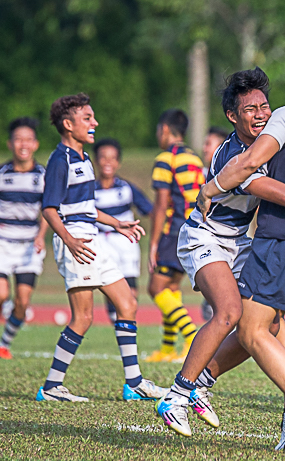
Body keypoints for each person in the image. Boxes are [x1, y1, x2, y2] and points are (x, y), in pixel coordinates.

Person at [156, 68, 285, 447]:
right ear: (233, 117)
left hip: (237, 240)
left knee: (271, 327)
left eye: (264, 106)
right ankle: (177, 396)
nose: (261, 114)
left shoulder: (267, 147)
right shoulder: (238, 159)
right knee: (230, 313)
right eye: (249, 109)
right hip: (205, 237)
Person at [36, 93, 167, 402]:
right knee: (83, 318)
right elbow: (50, 209)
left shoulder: (84, 159)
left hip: (92, 239)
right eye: (87, 119)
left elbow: (87, 208)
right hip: (77, 242)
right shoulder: (61, 159)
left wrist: (117, 223)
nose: (94, 123)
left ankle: (134, 383)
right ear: (68, 125)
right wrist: (69, 240)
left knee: (128, 303)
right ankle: (53, 387)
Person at [145, 109, 204, 363]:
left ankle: (191, 337)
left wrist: (154, 243)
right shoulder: (195, 158)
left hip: (174, 229)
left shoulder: (165, 159)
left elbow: (160, 205)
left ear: (165, 130)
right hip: (195, 228)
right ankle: (168, 348)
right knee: (171, 288)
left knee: (155, 287)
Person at [0, 118, 48, 359]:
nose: (23, 144)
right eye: (19, 139)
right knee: (0, 293)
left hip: (29, 246)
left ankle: (4, 343)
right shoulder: (2, 174)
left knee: (23, 302)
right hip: (3, 242)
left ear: (36, 144)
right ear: (10, 144)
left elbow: (49, 211)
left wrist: (41, 236)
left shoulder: (43, 176)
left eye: (28, 139)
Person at [93, 138, 153, 323]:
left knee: (131, 294)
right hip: (101, 243)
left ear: (118, 162)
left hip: (126, 243)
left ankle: (125, 328)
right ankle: (119, 329)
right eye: (103, 157)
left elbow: (150, 210)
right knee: (111, 290)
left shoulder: (126, 188)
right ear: (96, 160)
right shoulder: (89, 190)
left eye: (112, 158)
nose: (107, 162)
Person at [199, 126, 230, 322]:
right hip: (208, 240)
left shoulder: (235, 169)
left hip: (233, 240)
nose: (203, 148)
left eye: (208, 144)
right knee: (220, 306)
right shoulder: (201, 173)